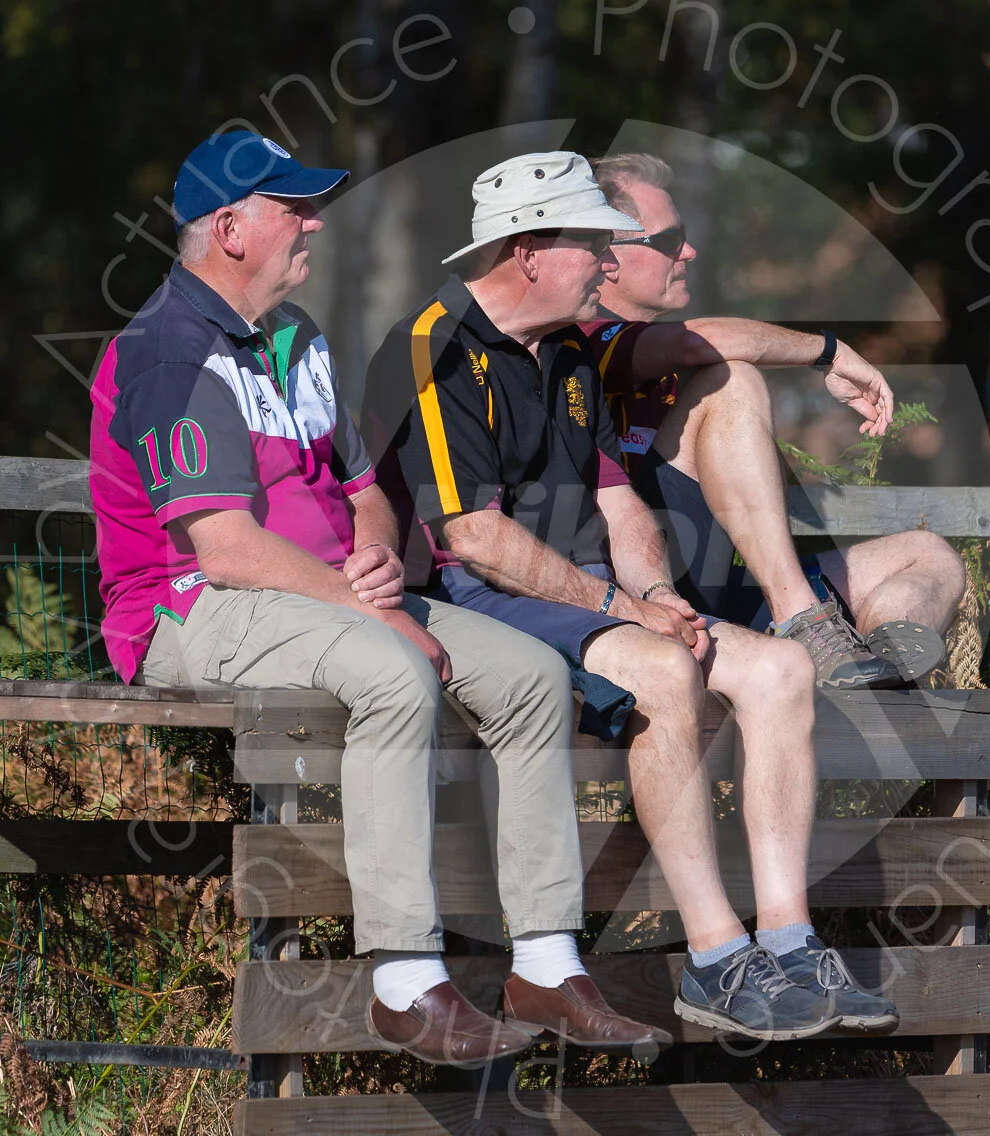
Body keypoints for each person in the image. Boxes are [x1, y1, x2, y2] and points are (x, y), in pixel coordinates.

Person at [88, 130, 666, 1066]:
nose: (314, 221)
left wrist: (374, 565)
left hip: (324, 597)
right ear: (231, 229)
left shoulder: (296, 334)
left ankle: (548, 966)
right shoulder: (169, 350)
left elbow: (364, 493)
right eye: (292, 208)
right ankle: (407, 983)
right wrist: (372, 606)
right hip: (186, 604)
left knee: (529, 675)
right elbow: (225, 550)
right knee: (395, 671)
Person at [365, 150, 899, 1041]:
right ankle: (718, 961)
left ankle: (791, 942)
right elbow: (475, 540)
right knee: (663, 669)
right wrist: (625, 610)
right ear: (529, 251)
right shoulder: (432, 343)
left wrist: (654, 586)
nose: (607, 262)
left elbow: (616, 496)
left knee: (780, 670)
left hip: (595, 597)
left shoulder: (572, 347)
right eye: (590, 244)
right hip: (476, 598)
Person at [575, 152, 968, 690]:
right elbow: (712, 339)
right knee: (733, 378)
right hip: (657, 587)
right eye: (669, 241)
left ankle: (869, 675)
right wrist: (830, 351)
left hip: (733, 583)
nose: (689, 251)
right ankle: (808, 627)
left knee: (930, 556)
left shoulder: (668, 361)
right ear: (610, 258)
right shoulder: (580, 337)